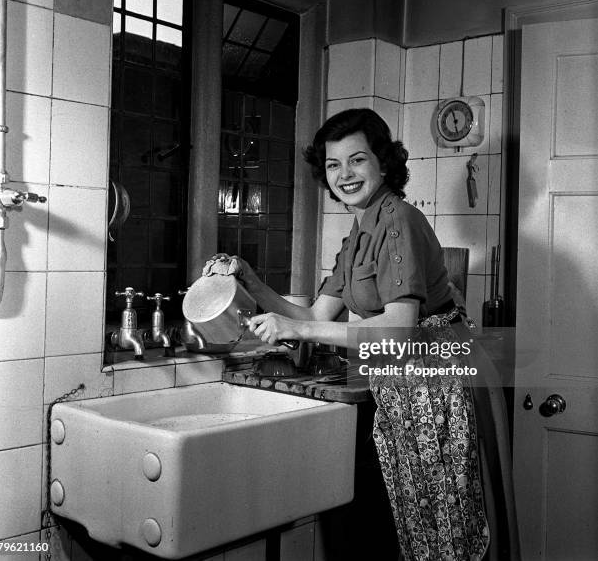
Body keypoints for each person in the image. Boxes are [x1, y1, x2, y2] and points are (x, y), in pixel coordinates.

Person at [208, 108, 518, 560]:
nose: (344, 174)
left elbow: (399, 328)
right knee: (419, 528)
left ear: (384, 163)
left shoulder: (399, 220)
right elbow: (314, 312)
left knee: (444, 530)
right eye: (333, 165)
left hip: (437, 386)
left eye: (357, 160)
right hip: (403, 387)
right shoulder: (357, 235)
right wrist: (249, 280)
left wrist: (296, 328)